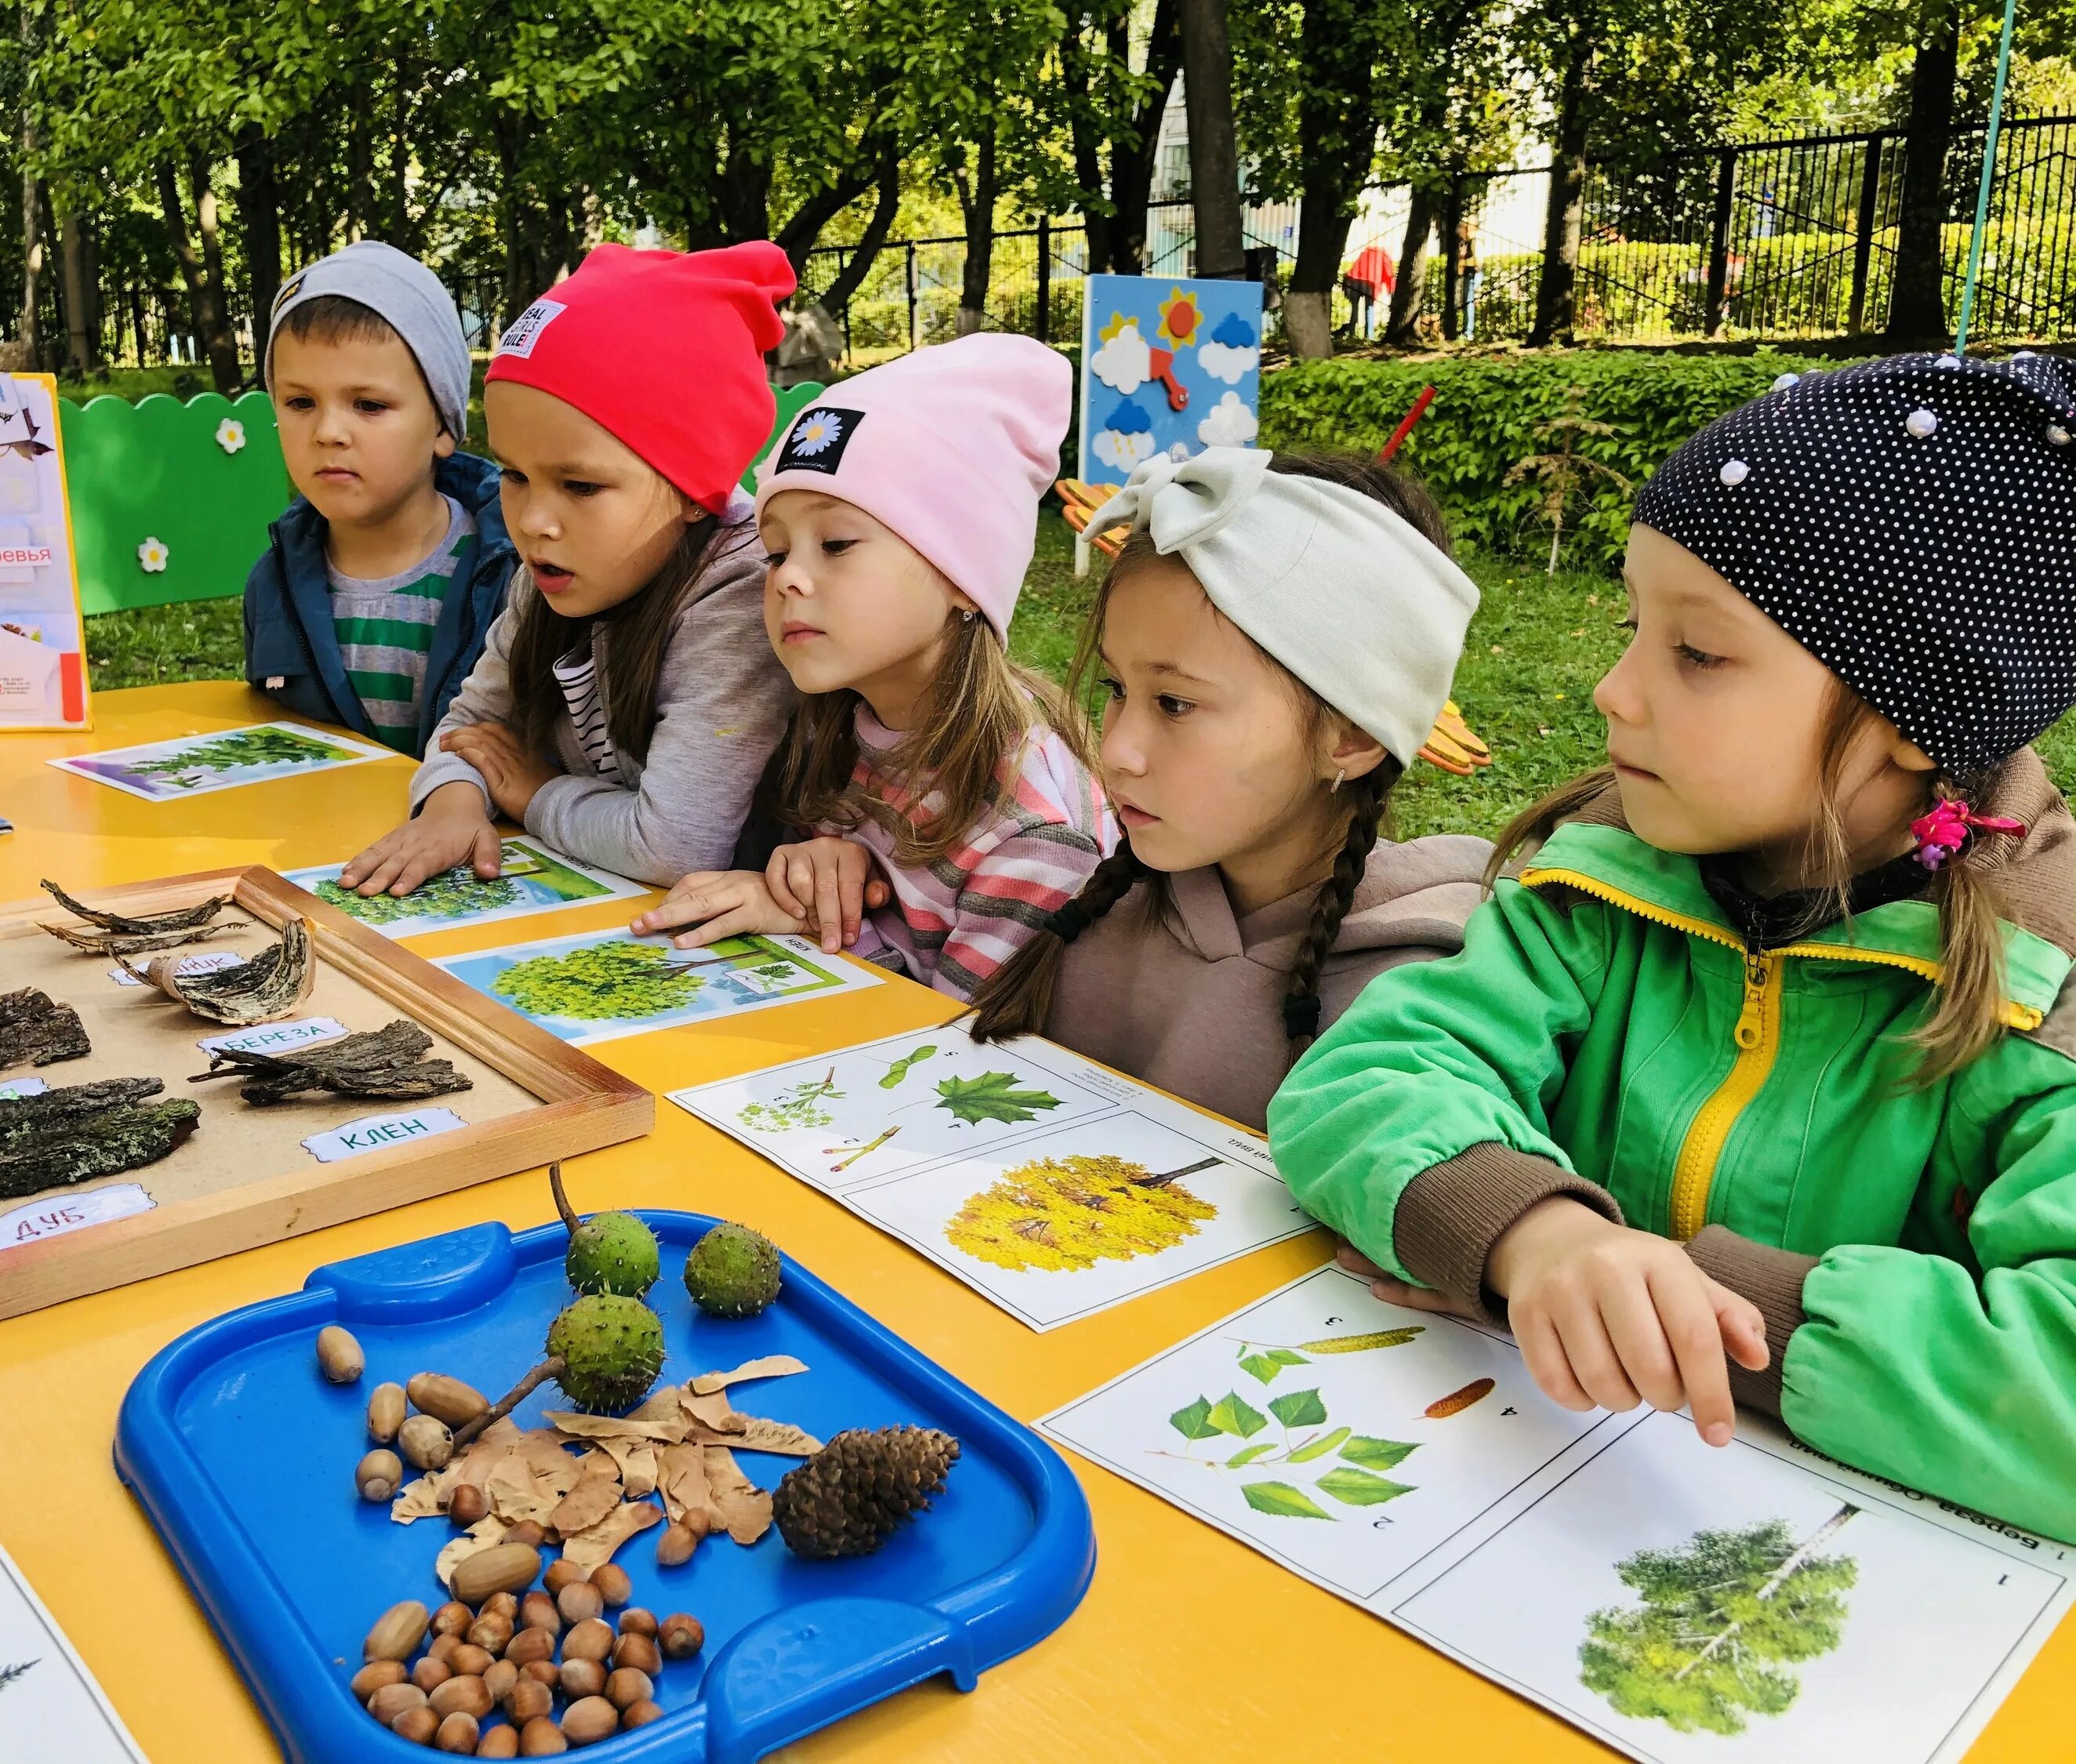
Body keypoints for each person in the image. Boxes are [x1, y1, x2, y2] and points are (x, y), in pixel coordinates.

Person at [1269, 352, 2076, 1542]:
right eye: (1634, 627)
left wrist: (1715, 1318)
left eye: (1696, 653)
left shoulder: (2033, 999)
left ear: (1920, 714)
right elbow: (1363, 1077)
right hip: (1527, 1502)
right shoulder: (1602, 885)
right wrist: (1537, 1232)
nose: (1614, 690)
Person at [967, 447, 1489, 1128]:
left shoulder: (1424, 1006)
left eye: (1176, 704)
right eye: (1116, 689)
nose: (1118, 751)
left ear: (1353, 735)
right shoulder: (1100, 923)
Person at [632, 332, 1112, 1000]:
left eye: (836, 544)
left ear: (963, 576)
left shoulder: (1034, 831)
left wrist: (813, 927)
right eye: (775, 552)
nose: (787, 579)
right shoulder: (835, 730)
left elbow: (953, 1047)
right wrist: (813, 884)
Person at [339, 241, 799, 893]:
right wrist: (454, 807)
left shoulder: (737, 599)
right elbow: (471, 729)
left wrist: (533, 792)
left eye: (580, 486)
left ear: (697, 493)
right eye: (515, 475)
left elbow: (674, 847)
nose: (532, 521)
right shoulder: (558, 566)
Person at [245, 242, 517, 757]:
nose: (328, 432)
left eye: (369, 405)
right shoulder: (273, 580)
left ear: (442, 425)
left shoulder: (507, 574)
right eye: (300, 402)